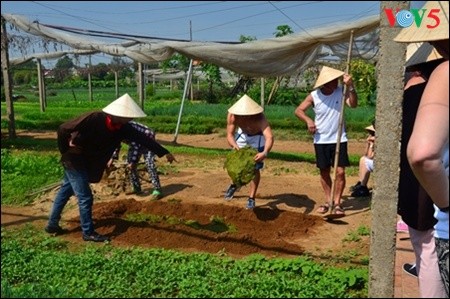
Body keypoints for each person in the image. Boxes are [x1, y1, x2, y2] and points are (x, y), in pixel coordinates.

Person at [45, 93, 176, 242]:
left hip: (87, 160)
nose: (131, 119)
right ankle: (88, 232)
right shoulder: (94, 118)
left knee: (65, 190)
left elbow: (143, 139)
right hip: (74, 159)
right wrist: (65, 151)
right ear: (118, 114)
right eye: (128, 116)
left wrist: (164, 152)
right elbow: (63, 129)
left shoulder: (123, 128)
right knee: (85, 196)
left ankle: (52, 225)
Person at [395, 1, 449, 296]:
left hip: (430, 185)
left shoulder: (429, 81)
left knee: (427, 247)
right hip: (429, 181)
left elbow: (422, 152)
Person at [294, 66, 357, 216]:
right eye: (333, 80)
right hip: (321, 139)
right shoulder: (314, 96)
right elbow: (298, 110)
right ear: (325, 83)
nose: (336, 82)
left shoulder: (341, 91)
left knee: (340, 172)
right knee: (324, 171)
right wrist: (308, 120)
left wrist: (351, 86)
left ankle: (337, 203)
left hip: (339, 138)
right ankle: (328, 200)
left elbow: (353, 104)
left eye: (336, 80)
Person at [224, 94, 274, 209]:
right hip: (242, 135)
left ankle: (251, 198)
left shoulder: (260, 118)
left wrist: (264, 153)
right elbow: (230, 135)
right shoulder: (232, 116)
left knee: (254, 167)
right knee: (236, 164)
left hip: (258, 137)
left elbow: (269, 137)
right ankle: (234, 184)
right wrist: (235, 146)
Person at [110, 121, 167, 200]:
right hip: (134, 143)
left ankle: (157, 190)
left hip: (147, 139)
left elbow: (135, 146)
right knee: (129, 165)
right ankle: (136, 188)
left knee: (149, 164)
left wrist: (133, 162)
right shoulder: (114, 130)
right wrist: (112, 158)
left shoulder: (127, 128)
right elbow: (116, 144)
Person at [350, 122, 376, 197]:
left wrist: (372, 145)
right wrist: (369, 144)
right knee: (363, 159)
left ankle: (362, 187)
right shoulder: (372, 140)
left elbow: (371, 156)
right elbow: (366, 154)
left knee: (364, 160)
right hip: (373, 160)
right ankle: (361, 183)